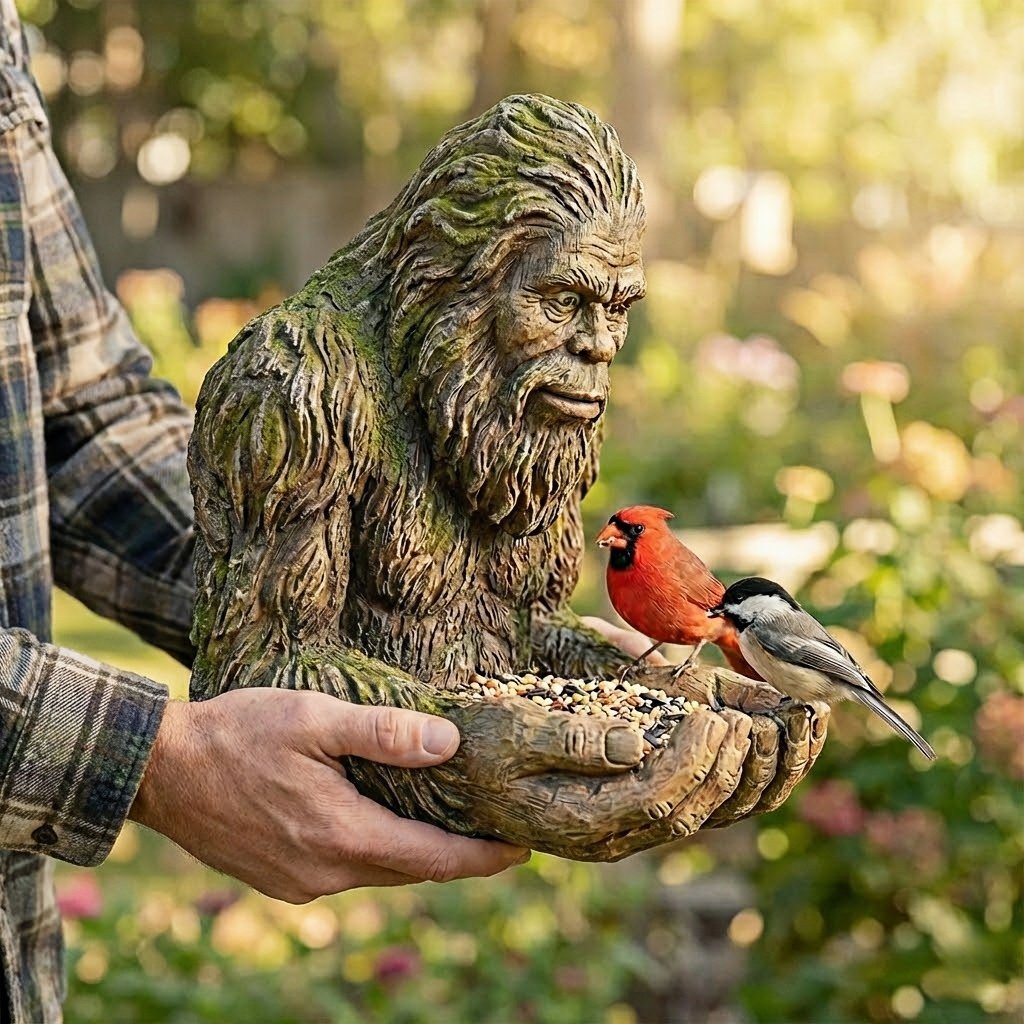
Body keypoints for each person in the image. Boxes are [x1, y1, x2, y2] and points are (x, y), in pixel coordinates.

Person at [0, 11, 673, 1023]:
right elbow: (271, 641)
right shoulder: (306, 386)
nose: (598, 348)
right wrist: (146, 757)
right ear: (458, 279)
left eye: (616, 311)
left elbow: (74, 408)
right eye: (563, 301)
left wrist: (625, 680)